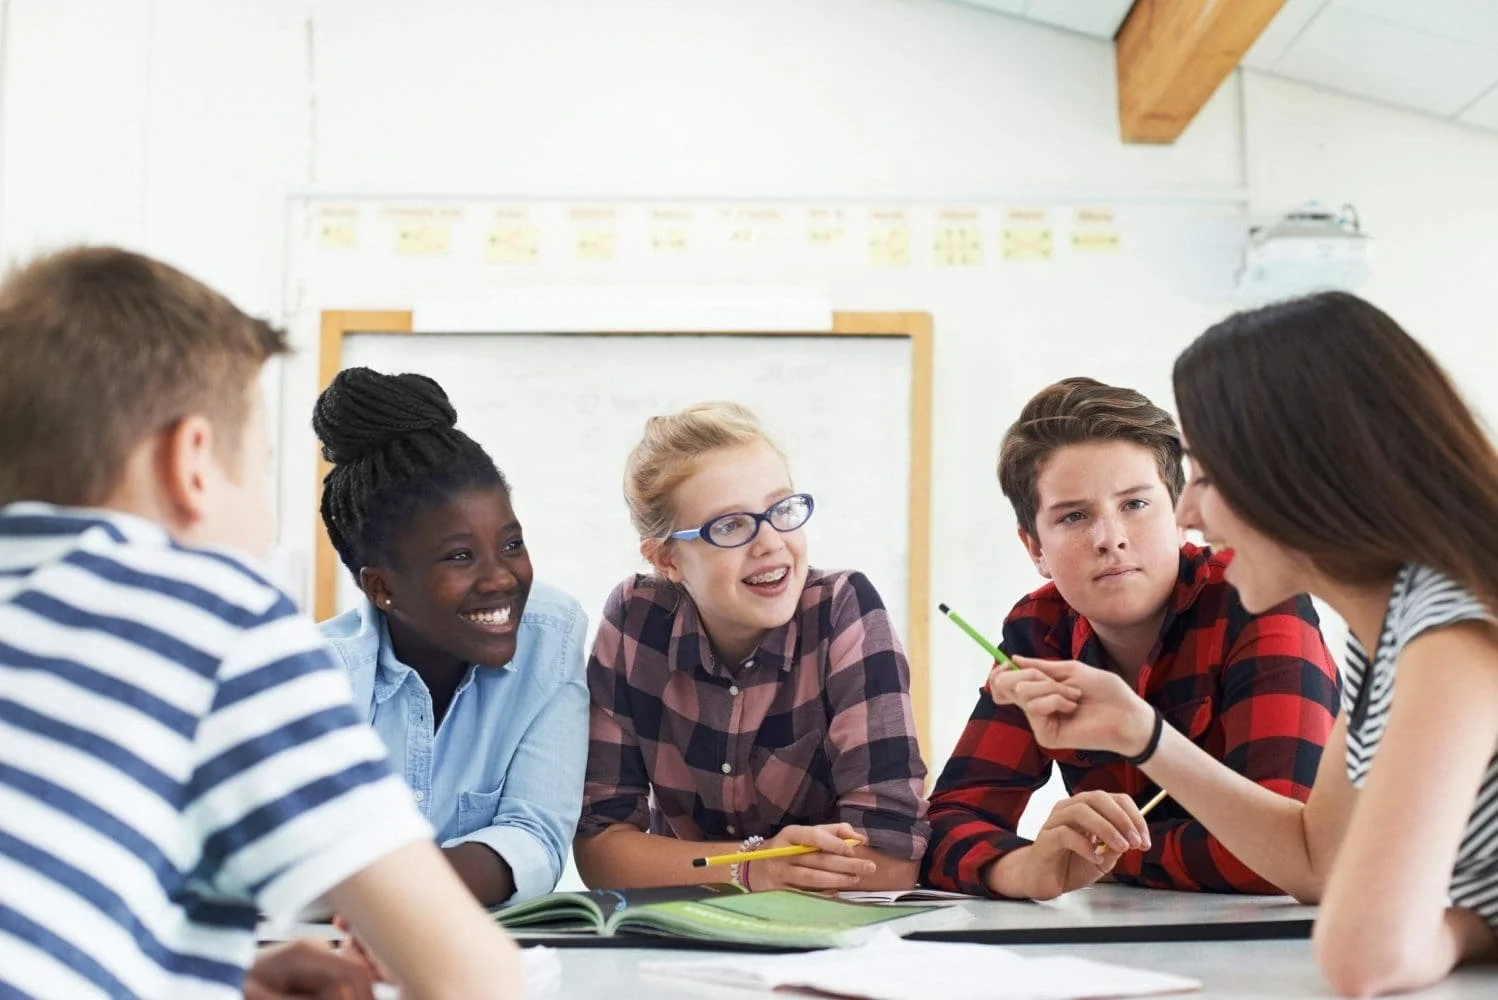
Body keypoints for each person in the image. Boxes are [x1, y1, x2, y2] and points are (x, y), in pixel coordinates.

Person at [0, 247, 520, 998]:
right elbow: (474, 978)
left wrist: (223, 979)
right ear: (194, 463)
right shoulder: (211, 615)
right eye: (265, 463)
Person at [989, 293, 1498, 995]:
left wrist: (1475, 924)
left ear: (1297, 476)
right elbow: (1316, 859)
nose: (1189, 512)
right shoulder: (1389, 633)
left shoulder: (1450, 633)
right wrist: (1142, 734)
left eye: (1205, 475)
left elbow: (1367, 953)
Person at [924, 378, 1340, 900]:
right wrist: (1029, 869)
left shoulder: (1255, 595)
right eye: (1074, 516)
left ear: (1181, 515)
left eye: (1135, 504)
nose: (1110, 538)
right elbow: (945, 823)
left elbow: (1286, 852)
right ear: (1035, 548)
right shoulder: (1039, 628)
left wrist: (1106, 856)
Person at [574, 402, 929, 892]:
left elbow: (889, 857)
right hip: (685, 936)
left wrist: (726, 868)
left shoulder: (843, 609)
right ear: (667, 559)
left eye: (781, 510)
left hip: (832, 936)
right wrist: (751, 865)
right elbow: (601, 850)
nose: (770, 543)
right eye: (731, 526)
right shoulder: (635, 619)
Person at [315, 367, 589, 907]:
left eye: (511, 545)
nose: (501, 579)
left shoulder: (551, 635)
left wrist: (402, 894)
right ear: (382, 587)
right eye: (460, 556)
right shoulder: (320, 678)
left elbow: (535, 836)